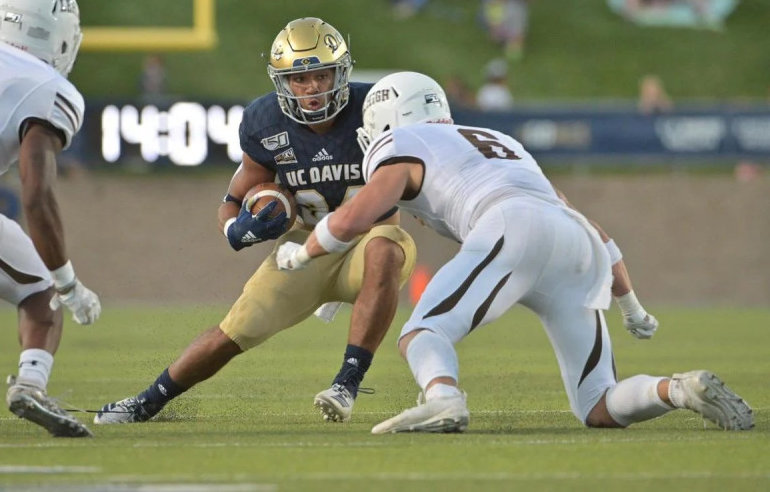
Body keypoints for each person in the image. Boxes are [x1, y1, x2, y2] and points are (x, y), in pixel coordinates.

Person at [276, 71, 755, 434]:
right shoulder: (502, 142)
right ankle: (677, 390)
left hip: (510, 228)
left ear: (387, 117)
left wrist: (303, 254)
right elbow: (594, 231)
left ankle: (444, 397)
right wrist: (631, 306)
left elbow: (360, 213)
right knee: (597, 404)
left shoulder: (402, 140)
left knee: (422, 331)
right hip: (574, 245)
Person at [94, 17, 416, 425]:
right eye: (299, 78)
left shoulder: (373, 109)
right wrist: (238, 229)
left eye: (321, 75)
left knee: (386, 246)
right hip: (305, 250)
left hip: (368, 243)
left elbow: (423, 169)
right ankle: (145, 403)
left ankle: (347, 383)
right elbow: (232, 199)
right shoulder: (265, 123)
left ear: (341, 72)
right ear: (282, 81)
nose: (313, 87)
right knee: (234, 331)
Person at [0, 0, 101, 437]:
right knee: (41, 297)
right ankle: (29, 384)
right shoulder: (48, 87)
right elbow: (37, 195)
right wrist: (69, 283)